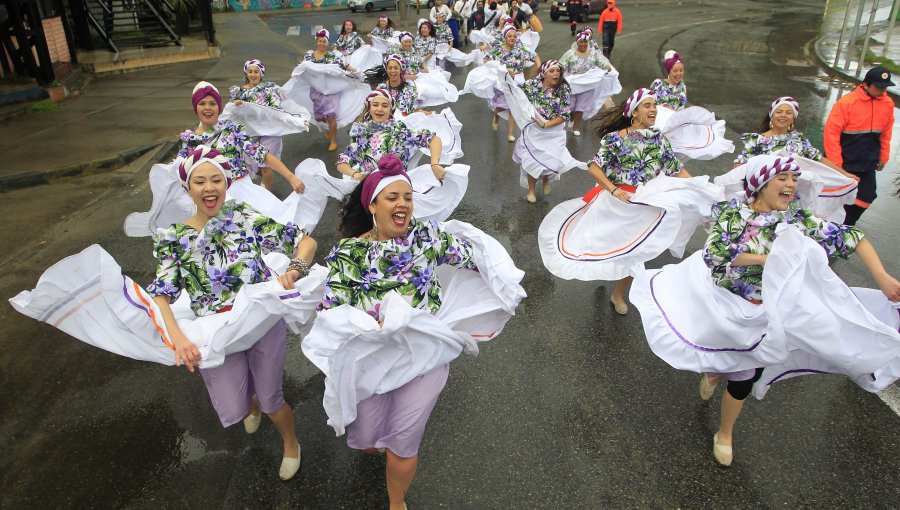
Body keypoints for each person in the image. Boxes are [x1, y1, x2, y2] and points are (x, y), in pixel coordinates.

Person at [630, 154, 900, 466]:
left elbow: (853, 238)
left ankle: (726, 433)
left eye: (794, 179)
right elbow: (716, 255)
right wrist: (765, 259)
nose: (791, 185)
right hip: (722, 302)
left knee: (746, 372)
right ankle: (715, 371)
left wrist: (881, 277)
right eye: (783, 178)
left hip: (764, 311)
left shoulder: (796, 219)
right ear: (762, 184)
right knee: (721, 351)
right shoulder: (735, 213)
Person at [305, 154, 523, 510]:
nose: (403, 203)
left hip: (424, 356)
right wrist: (369, 325)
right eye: (392, 197)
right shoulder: (350, 254)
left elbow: (475, 258)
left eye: (407, 197)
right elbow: (329, 312)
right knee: (366, 436)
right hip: (373, 360)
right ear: (373, 205)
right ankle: (375, 439)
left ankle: (395, 502)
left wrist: (502, 281)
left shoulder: (426, 236)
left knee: (404, 441)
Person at [150, 146, 318, 480]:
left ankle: (290, 444)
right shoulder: (174, 238)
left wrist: (296, 269)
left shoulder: (243, 215)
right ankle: (250, 401)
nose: (209, 187)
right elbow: (162, 296)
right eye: (200, 181)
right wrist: (178, 339)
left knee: (272, 400)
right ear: (188, 188)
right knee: (235, 405)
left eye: (217, 180)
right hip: (218, 333)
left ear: (227, 184)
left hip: (260, 323)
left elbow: (306, 242)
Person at [538, 89, 721, 316]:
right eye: (647, 105)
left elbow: (676, 169)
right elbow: (594, 167)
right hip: (616, 202)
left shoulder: (658, 139)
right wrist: (614, 190)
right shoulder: (615, 139)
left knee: (637, 253)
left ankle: (618, 294)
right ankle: (608, 273)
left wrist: (698, 187)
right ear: (634, 112)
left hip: (646, 204)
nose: (653, 109)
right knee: (605, 245)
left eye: (654, 105)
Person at [182, 82, 304, 193]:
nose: (207, 107)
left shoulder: (231, 130)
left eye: (212, 103)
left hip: (241, 196)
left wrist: (291, 177)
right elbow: (182, 175)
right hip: (208, 200)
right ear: (195, 108)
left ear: (219, 107)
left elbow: (263, 155)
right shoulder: (189, 141)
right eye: (202, 103)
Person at [824, 66, 895, 225]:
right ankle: (831, 226)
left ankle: (846, 224)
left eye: (884, 87)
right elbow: (832, 134)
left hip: (867, 162)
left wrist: (884, 156)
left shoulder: (887, 103)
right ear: (866, 84)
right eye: (878, 87)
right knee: (835, 196)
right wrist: (837, 165)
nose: (882, 90)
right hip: (845, 161)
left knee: (867, 196)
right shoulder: (847, 103)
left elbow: (886, 132)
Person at [337, 89, 445, 181]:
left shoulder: (398, 130)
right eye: (375, 105)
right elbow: (343, 161)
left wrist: (434, 164)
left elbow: (433, 140)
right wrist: (355, 174)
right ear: (369, 108)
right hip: (369, 189)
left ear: (391, 110)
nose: (379, 109)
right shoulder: (361, 133)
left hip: (396, 189)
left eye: (384, 106)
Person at [514, 60, 574, 202]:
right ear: (544, 74)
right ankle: (531, 191)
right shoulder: (532, 85)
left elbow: (564, 115)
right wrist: (508, 77)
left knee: (550, 160)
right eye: (552, 71)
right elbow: (514, 91)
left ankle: (547, 178)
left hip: (553, 130)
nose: (556, 74)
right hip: (533, 130)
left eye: (558, 71)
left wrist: (545, 125)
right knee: (531, 161)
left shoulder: (563, 89)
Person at [228, 59, 285, 191]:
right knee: (257, 167)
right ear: (246, 73)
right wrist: (236, 104)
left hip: (270, 133)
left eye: (256, 71)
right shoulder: (238, 92)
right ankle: (266, 177)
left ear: (261, 73)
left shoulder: (269, 90)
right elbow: (231, 111)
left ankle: (267, 196)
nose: (253, 74)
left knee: (265, 166)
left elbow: (277, 110)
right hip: (250, 135)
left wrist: (296, 122)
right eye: (250, 71)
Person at [303, 29, 358, 151]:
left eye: (324, 41)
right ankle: (328, 128)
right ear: (316, 42)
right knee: (318, 117)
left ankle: (333, 141)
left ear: (327, 43)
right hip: (317, 90)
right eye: (320, 41)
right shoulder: (309, 55)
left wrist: (355, 71)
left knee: (330, 115)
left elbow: (343, 65)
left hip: (331, 90)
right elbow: (303, 67)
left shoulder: (332, 56)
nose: (322, 43)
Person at [481, 25, 535, 141]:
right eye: (509, 36)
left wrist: (539, 69)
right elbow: (486, 60)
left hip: (518, 81)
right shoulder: (499, 50)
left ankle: (510, 133)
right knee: (500, 106)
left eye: (514, 36)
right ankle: (496, 115)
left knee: (513, 107)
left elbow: (534, 57)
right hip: (503, 82)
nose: (512, 38)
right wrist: (501, 68)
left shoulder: (520, 50)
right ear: (505, 37)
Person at [560, 27, 614, 136]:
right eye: (581, 42)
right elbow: (561, 65)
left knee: (580, 107)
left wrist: (607, 66)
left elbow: (601, 61)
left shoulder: (592, 54)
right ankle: (570, 118)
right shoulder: (570, 54)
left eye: (585, 42)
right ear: (577, 42)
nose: (583, 44)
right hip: (573, 84)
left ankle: (576, 127)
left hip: (587, 85)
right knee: (570, 107)